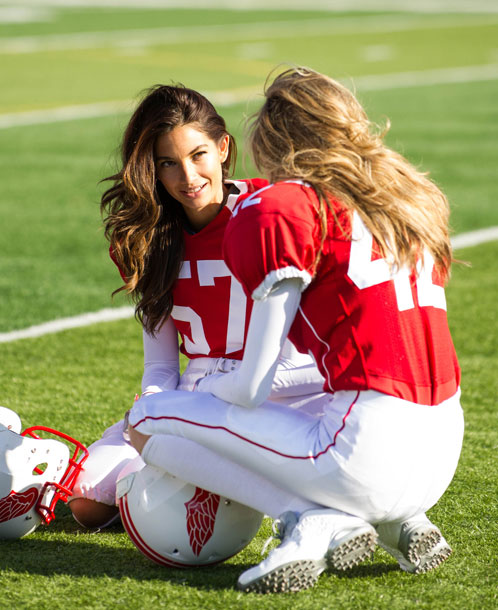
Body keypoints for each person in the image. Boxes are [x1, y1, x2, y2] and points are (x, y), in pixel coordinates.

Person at [126, 67, 464, 593]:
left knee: (146, 419)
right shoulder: (410, 198)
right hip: (442, 448)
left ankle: (307, 519)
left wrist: (202, 391)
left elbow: (250, 387)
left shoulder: (282, 206)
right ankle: (388, 522)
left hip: (364, 446)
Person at [69, 84, 324, 530]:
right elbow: (161, 365)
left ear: (224, 148)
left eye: (198, 154)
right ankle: (166, 483)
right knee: (86, 502)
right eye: (167, 162)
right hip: (199, 393)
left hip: (290, 390)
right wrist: (153, 408)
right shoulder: (147, 238)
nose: (187, 176)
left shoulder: (270, 210)